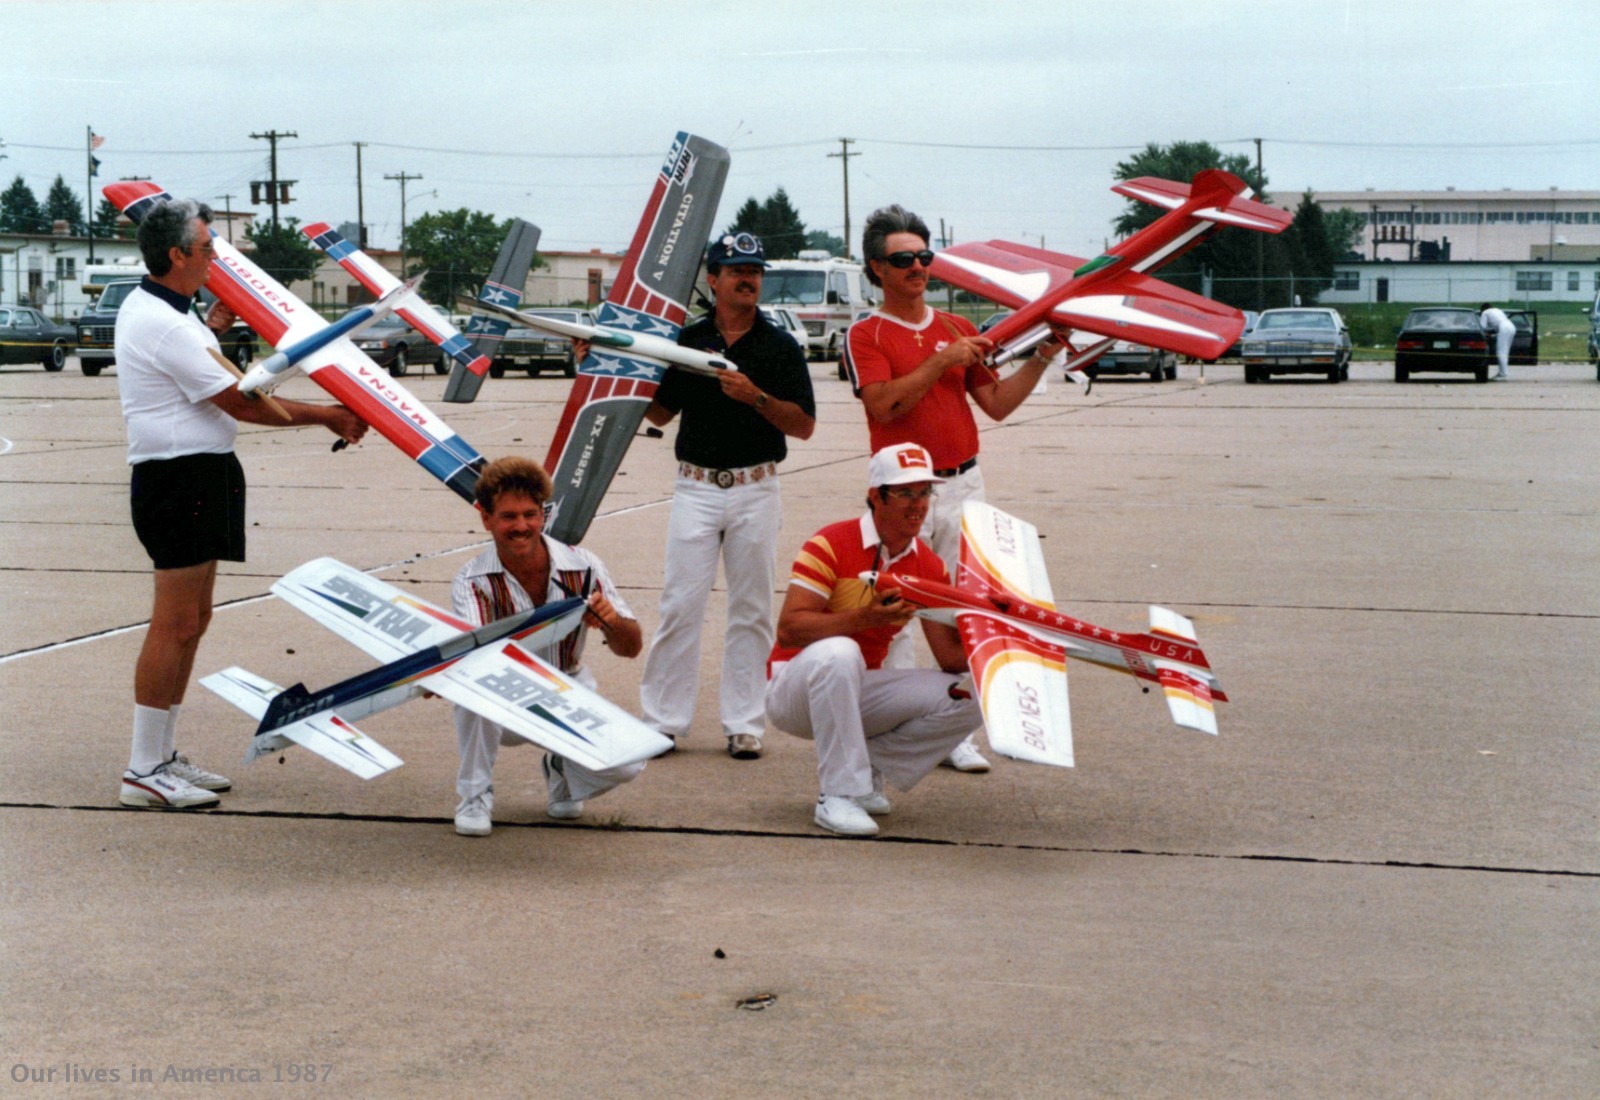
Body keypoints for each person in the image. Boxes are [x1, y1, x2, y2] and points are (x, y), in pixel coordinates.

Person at [117, 198, 367, 810]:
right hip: (178, 481)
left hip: (201, 474)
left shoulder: (169, 310)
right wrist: (327, 415)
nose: (215, 257)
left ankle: (162, 757)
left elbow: (197, 367)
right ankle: (143, 769)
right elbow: (242, 402)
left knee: (194, 621)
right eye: (207, 248)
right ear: (177, 255)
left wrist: (218, 326)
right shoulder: (166, 322)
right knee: (174, 623)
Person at [846, 204, 1064, 773]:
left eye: (924, 256)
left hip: (965, 481)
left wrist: (1042, 357)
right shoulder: (866, 334)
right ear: (876, 269)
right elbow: (884, 404)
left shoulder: (959, 328)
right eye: (903, 259)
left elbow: (995, 405)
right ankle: (888, 728)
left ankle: (948, 729)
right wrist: (940, 362)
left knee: (958, 609)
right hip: (902, 493)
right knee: (894, 613)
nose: (918, 267)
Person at [635, 232, 816, 760]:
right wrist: (606, 366)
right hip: (696, 487)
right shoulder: (685, 342)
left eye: (755, 270)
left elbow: (803, 425)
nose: (748, 279)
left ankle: (744, 723)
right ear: (712, 279)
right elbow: (659, 413)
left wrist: (755, 396)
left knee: (752, 609)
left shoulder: (779, 345)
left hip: (756, 488)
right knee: (680, 605)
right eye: (736, 270)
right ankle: (663, 722)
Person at [764, 443, 984, 837]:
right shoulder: (830, 542)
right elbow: (789, 630)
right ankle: (837, 795)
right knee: (839, 652)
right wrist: (864, 619)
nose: (918, 506)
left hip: (855, 687)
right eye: (904, 494)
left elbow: (950, 659)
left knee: (978, 695)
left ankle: (863, 769)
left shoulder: (929, 565)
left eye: (924, 493)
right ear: (875, 496)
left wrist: (995, 628)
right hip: (793, 691)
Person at [452, 456, 645, 836]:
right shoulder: (472, 580)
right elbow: (474, 656)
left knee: (628, 763)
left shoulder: (583, 565)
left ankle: (562, 771)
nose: (521, 526)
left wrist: (611, 621)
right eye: (508, 517)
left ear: (544, 516)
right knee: (470, 688)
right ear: (486, 520)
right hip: (505, 693)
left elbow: (631, 648)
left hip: (566, 685)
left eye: (530, 514)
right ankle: (473, 796)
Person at [1479, 302, 1514, 381]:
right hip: (1511, 326)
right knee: (1505, 352)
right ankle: (1502, 373)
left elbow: (1483, 327)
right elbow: (1502, 329)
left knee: (1501, 352)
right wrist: (1492, 336)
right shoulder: (1498, 310)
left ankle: (1503, 375)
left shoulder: (1485, 312)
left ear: (1482, 309)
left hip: (1503, 328)